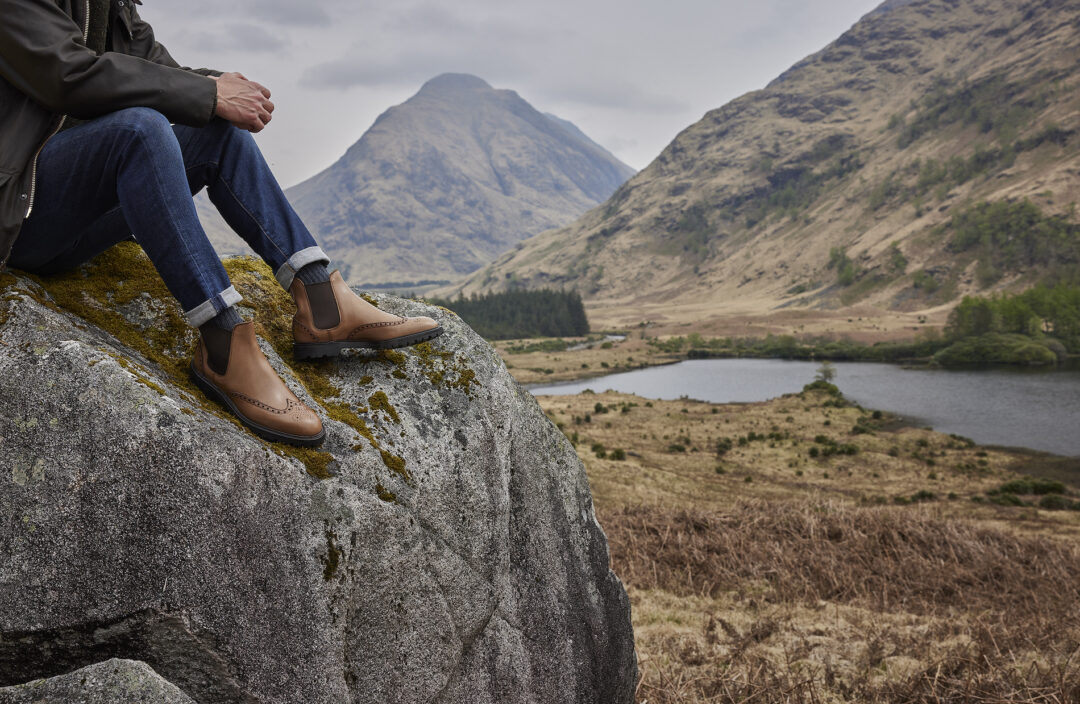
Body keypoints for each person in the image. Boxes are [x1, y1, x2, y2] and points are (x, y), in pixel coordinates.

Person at [0, 0, 443, 447]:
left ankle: (322, 300)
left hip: (72, 218)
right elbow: (68, 75)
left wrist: (218, 89)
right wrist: (210, 94)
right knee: (141, 129)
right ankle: (224, 344)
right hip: (19, 216)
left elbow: (153, 68)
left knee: (217, 127)